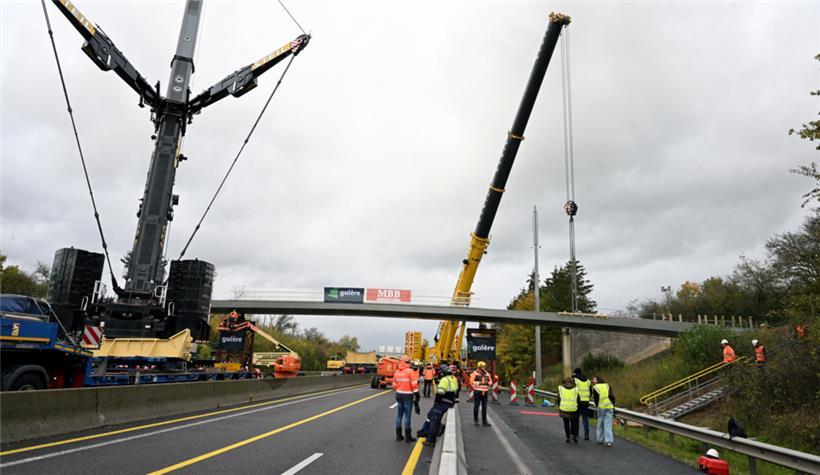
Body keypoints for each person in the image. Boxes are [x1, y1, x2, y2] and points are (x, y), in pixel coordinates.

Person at [418, 365, 459, 446]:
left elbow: (440, 393)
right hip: (450, 403)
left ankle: (430, 440)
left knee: (434, 420)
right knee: (430, 414)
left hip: (442, 403)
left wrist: (436, 403)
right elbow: (457, 391)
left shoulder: (444, 380)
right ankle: (425, 431)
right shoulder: (453, 378)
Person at [393, 355, 421, 443]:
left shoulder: (397, 371)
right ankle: (408, 437)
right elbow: (414, 384)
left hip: (398, 394)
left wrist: (400, 387)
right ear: (407, 362)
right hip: (408, 395)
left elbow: (394, 385)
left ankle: (398, 436)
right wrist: (417, 395)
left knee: (399, 415)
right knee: (407, 416)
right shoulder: (410, 371)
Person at [592, 375, 615, 447]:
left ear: (597, 380)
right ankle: (609, 441)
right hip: (609, 406)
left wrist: (596, 405)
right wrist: (613, 405)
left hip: (601, 407)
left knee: (600, 423)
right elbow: (612, 396)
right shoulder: (607, 385)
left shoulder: (596, 387)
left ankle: (600, 439)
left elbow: (596, 398)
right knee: (608, 424)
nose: (593, 380)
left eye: (594, 379)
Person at [557, 377, 579, 443]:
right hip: (573, 408)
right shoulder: (575, 389)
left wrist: (559, 406)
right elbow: (578, 399)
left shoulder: (560, 388)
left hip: (564, 408)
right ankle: (574, 435)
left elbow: (558, 399)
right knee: (574, 423)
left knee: (566, 423)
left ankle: (568, 437)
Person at [469, 361, 492, 427]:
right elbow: (471, 382)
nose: (485, 368)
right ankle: (476, 420)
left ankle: (484, 422)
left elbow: (491, 382)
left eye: (485, 367)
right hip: (477, 392)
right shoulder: (475, 373)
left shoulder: (487, 374)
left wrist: (488, 383)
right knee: (476, 406)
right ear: (480, 367)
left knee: (484, 407)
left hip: (485, 392)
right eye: (483, 367)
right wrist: (480, 383)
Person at [573, 367, 592, 440]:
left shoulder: (575, 380)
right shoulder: (588, 380)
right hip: (586, 401)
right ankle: (586, 434)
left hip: (577, 401)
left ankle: (576, 433)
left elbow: (573, 390)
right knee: (585, 418)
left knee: (576, 418)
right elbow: (590, 391)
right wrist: (587, 397)